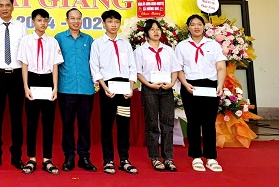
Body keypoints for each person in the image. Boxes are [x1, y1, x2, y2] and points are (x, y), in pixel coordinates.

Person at [176, 14, 226, 173]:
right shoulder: (182, 46)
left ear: (204, 27)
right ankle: (196, 156)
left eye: (199, 24)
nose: (196, 27)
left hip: (210, 85)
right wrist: (185, 84)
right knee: (193, 122)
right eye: (192, 24)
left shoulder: (213, 44)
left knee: (209, 122)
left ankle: (211, 157)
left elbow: (221, 67)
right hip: (190, 85)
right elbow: (179, 69)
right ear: (188, 27)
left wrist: (220, 85)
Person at [90, 10, 138, 175]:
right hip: (108, 88)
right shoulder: (98, 44)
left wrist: (131, 87)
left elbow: (132, 67)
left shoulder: (125, 43)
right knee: (107, 125)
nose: (113, 25)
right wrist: (104, 88)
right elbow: (95, 68)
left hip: (124, 88)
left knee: (123, 125)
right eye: (110, 21)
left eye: (116, 21)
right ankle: (108, 160)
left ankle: (124, 160)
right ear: (104, 23)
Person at [0, 0, 28, 170]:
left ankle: (16, 156)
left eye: (7, 5)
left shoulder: (21, 27)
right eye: (1, 5)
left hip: (17, 75)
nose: (4, 8)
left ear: (12, 7)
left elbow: (25, 53)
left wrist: (26, 80)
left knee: (17, 118)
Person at [18, 9, 63, 175]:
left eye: (45, 20)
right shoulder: (26, 41)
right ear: (33, 22)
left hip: (47, 81)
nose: (42, 23)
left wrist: (55, 88)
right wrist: (25, 87)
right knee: (31, 122)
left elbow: (55, 66)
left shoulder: (52, 42)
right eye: (39, 20)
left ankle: (47, 160)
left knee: (48, 123)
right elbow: (24, 64)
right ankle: (31, 159)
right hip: (32, 80)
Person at [134, 19, 181, 172]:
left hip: (166, 89)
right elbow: (138, 72)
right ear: (146, 33)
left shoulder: (168, 50)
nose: (156, 32)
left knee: (168, 124)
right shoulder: (140, 51)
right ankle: (154, 158)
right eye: (152, 29)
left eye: (158, 29)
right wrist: (149, 84)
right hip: (150, 89)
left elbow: (175, 69)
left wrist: (172, 83)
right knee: (152, 124)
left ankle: (168, 158)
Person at [54, 8, 97, 172]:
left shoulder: (89, 39)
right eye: (72, 18)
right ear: (67, 20)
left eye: (78, 18)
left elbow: (94, 63)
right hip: (66, 88)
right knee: (67, 124)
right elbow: (54, 64)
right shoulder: (59, 38)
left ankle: (84, 156)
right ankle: (69, 156)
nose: (76, 21)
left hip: (86, 89)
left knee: (85, 125)